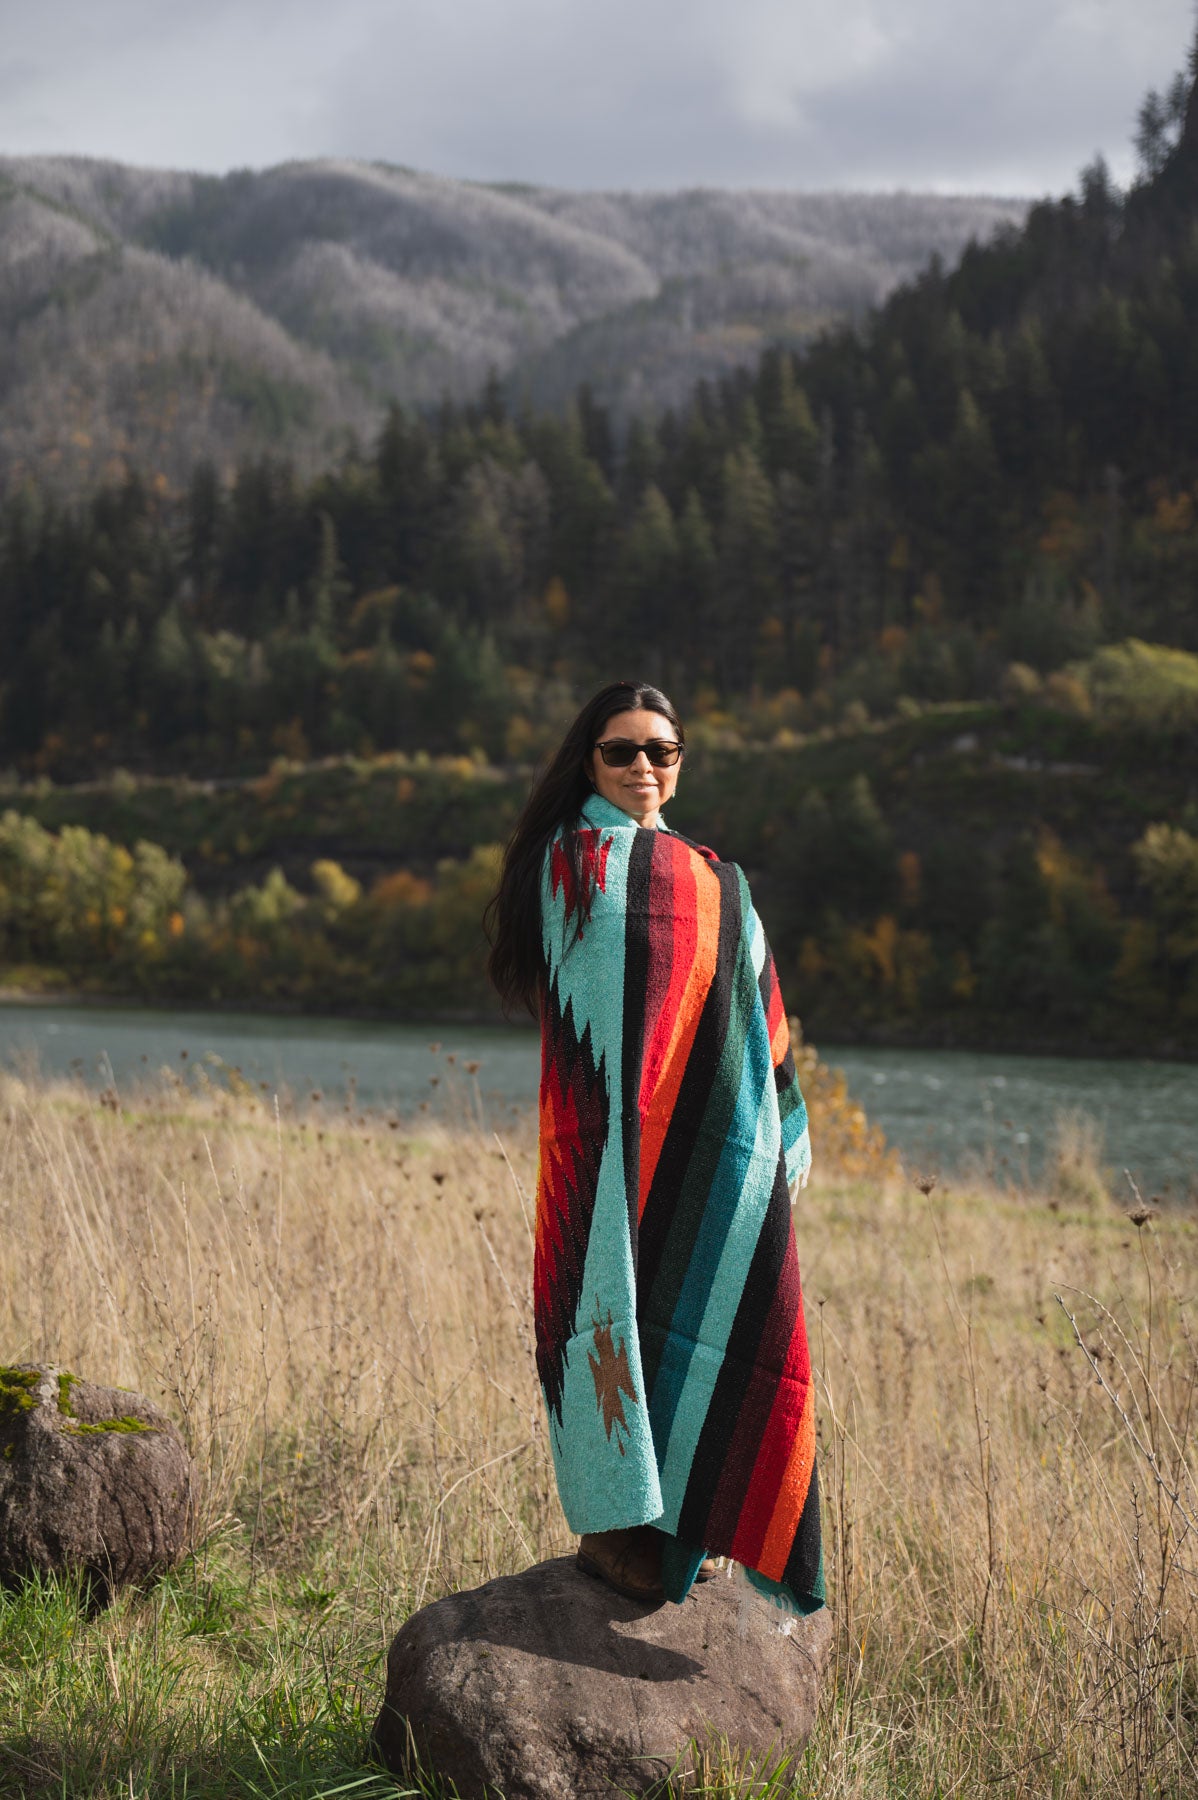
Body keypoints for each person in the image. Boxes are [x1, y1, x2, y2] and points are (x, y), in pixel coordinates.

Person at [486, 680, 823, 1612]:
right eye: (621, 750)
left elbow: (754, 1016)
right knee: (611, 1315)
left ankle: (693, 1522)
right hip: (603, 1153)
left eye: (660, 751)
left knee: (706, 1312)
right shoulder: (568, 869)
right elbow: (596, 1002)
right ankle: (622, 1528)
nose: (642, 766)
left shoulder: (719, 882)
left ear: (680, 764)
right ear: (587, 762)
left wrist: (772, 1124)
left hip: (712, 1141)